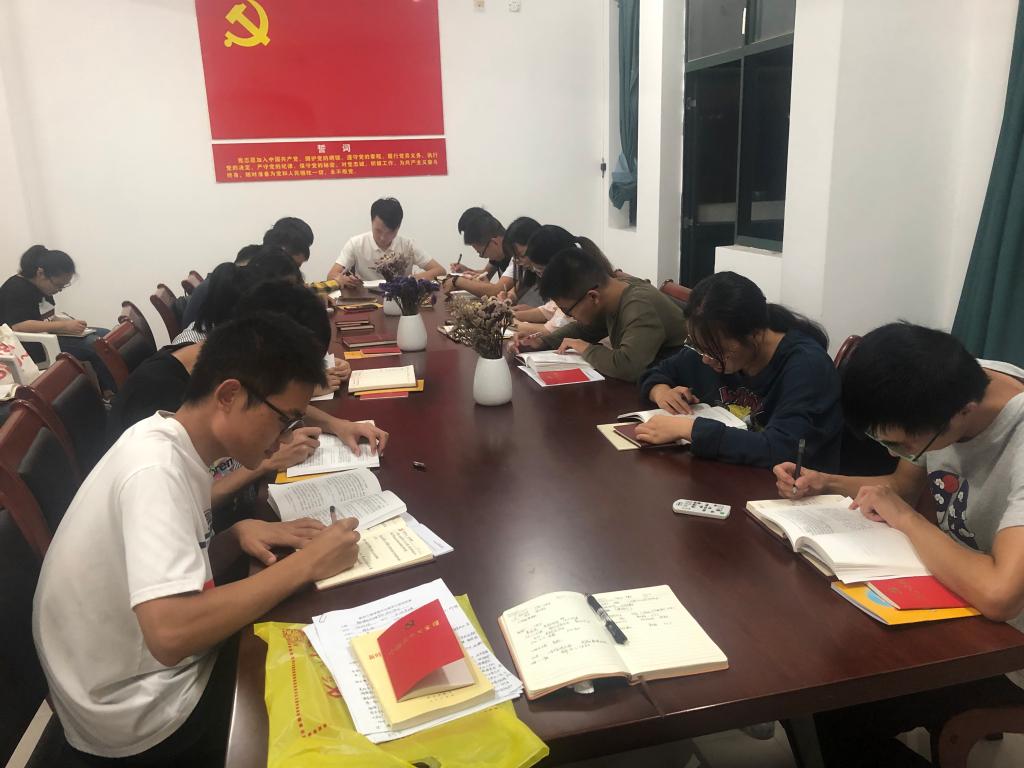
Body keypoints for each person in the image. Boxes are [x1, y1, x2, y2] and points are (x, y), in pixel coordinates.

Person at [34, 313, 365, 766]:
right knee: (332, 696)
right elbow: (170, 633)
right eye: (283, 420)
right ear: (229, 395)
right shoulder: (154, 470)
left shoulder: (168, 439)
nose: (281, 440)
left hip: (134, 676)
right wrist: (307, 564)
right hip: (139, 715)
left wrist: (232, 536)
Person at [771, 323, 1024, 767]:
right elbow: (902, 487)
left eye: (903, 444)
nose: (894, 453)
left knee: (830, 702)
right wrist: (825, 482)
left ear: (963, 413)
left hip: (1007, 636)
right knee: (804, 677)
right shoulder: (945, 383)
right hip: (958, 591)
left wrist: (906, 519)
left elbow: (1000, 595)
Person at [107, 282, 368, 509]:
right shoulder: (156, 405)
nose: (283, 437)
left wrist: (336, 424)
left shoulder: (225, 372)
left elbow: (275, 402)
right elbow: (176, 503)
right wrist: (267, 462)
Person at [634, 271, 843, 470]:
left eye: (717, 351)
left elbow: (781, 449)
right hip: (726, 473)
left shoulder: (807, 368)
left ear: (755, 335)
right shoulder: (712, 343)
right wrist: (660, 391)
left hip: (786, 487)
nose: (705, 359)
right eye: (698, 347)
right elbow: (655, 372)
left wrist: (689, 429)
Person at [512, 247, 687, 383]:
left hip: (681, 387)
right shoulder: (614, 293)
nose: (570, 316)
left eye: (567, 310)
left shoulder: (639, 306)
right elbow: (585, 330)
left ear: (593, 297)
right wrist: (543, 341)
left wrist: (585, 348)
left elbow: (628, 367)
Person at [0, 244, 115, 393]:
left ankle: (111, 387)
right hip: (30, 346)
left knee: (105, 334)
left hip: (47, 335)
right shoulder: (16, 289)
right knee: (95, 346)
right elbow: (19, 326)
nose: (59, 290)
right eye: (58, 285)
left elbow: (46, 316)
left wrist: (68, 323)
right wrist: (64, 326)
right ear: (41, 273)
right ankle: (113, 392)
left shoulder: (40, 286)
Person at [511, 225, 614, 336]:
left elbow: (551, 331)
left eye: (540, 271)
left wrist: (510, 322)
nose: (540, 277)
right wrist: (511, 315)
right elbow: (549, 310)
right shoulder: (575, 279)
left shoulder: (576, 287)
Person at [327, 197, 445, 285]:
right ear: (371, 222)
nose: (383, 237)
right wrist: (343, 279)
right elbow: (331, 275)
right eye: (378, 231)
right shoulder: (356, 244)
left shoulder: (408, 245)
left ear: (398, 227)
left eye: (390, 232)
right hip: (366, 299)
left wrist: (412, 279)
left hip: (402, 300)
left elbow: (440, 271)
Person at [442, 216, 542, 303]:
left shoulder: (520, 258)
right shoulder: (517, 259)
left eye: (481, 253)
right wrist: (510, 296)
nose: (517, 260)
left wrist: (457, 280)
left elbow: (495, 290)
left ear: (494, 242)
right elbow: (488, 277)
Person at [449, 207, 504, 280]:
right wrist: (466, 270)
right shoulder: (496, 251)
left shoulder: (515, 256)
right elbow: (485, 274)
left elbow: (497, 287)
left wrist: (456, 281)